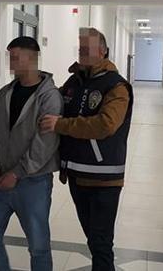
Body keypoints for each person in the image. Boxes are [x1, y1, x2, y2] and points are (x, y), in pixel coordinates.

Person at [40, 28, 133, 271]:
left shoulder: (117, 86)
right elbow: (57, 102)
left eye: (87, 48)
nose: (82, 52)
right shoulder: (75, 81)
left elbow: (105, 125)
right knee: (93, 239)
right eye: (80, 48)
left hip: (104, 179)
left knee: (101, 244)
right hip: (77, 175)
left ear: (102, 51)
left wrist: (61, 125)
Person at [0, 36, 63, 271]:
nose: (11, 62)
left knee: (38, 246)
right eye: (10, 57)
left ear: (33, 57)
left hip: (33, 183)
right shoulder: (4, 94)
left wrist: (17, 173)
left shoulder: (49, 97)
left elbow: (45, 143)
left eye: (15, 57)